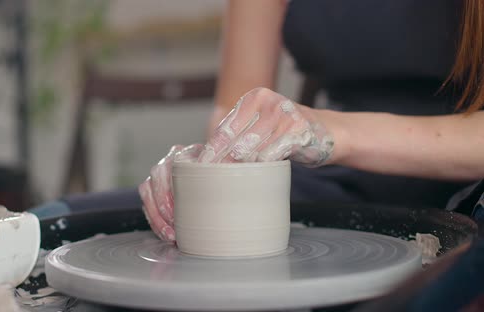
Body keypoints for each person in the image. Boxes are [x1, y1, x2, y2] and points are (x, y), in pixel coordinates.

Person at [138, 0, 484, 242]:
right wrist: (207, 167)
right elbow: (234, 106)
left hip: (465, 183)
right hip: (339, 178)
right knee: (98, 226)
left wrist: (329, 133)